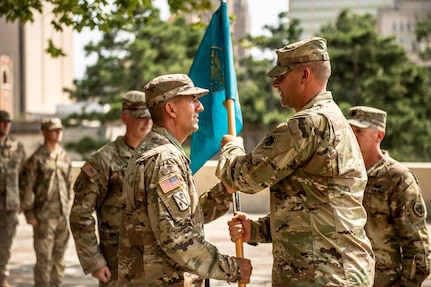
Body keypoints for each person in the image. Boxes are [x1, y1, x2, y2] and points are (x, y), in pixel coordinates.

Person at [218, 37, 375, 286]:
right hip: (334, 272)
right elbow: (312, 206)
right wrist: (256, 230)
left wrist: (231, 148)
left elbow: (242, 178)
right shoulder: (333, 119)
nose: (275, 83)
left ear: (304, 75)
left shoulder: (308, 124)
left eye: (282, 75)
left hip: (322, 276)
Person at [117, 73, 252, 286]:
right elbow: (177, 237)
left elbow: (183, 216)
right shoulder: (164, 159)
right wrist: (231, 268)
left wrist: (224, 191)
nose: (200, 107)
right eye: (193, 100)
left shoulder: (158, 151)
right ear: (171, 109)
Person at [70, 90, 152, 286]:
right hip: (118, 268)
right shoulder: (103, 161)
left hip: (155, 267)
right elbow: (80, 214)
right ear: (125, 118)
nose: (147, 123)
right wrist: (94, 261)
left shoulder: (156, 158)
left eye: (150, 117)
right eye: (141, 117)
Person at [347, 105, 431, 287]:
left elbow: (419, 252)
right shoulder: (343, 174)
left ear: (379, 136)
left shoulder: (397, 179)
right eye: (350, 130)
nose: (352, 136)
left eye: (359, 131)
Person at [20, 117, 73, 287]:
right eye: (54, 129)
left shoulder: (64, 156)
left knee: (59, 259)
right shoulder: (35, 159)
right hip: (44, 218)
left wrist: (69, 208)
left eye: (60, 129)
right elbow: (26, 187)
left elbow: (69, 185)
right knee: (44, 260)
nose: (59, 132)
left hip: (62, 216)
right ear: (44, 132)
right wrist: (30, 214)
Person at [0, 110, 26, 287]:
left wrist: (23, 201)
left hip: (10, 204)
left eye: (8, 122)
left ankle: (1, 277)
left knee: (5, 244)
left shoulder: (17, 146)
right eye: (2, 122)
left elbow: (24, 177)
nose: (6, 125)